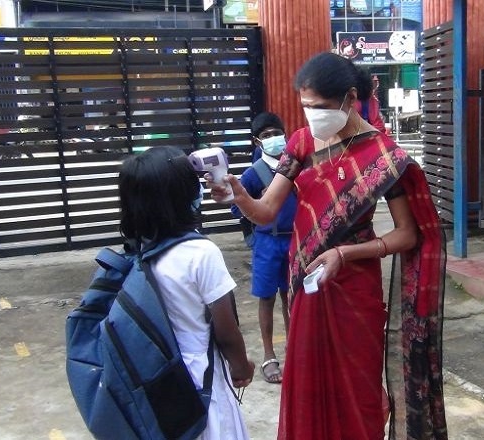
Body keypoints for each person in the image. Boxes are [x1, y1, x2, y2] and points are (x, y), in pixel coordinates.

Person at [208, 52, 447, 439]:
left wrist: (344, 253)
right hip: (307, 286)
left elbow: (408, 234)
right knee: (309, 383)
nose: (311, 115)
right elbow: (266, 211)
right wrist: (237, 194)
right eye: (305, 106)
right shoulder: (302, 144)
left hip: (354, 289)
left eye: (318, 106)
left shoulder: (385, 157)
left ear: (350, 98)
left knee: (359, 389)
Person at [118, 146, 255, 440]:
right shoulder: (200, 253)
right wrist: (242, 367)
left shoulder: (136, 252)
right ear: (182, 197)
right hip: (201, 380)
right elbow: (226, 331)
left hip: (158, 378)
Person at [231, 112, 296, 384]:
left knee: (291, 296)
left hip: (295, 240)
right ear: (257, 141)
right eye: (267, 136)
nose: (274, 139)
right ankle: (269, 356)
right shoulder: (253, 173)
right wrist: (255, 236)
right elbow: (238, 206)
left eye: (277, 133)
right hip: (268, 242)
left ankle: (293, 350)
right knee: (267, 297)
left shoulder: (295, 165)